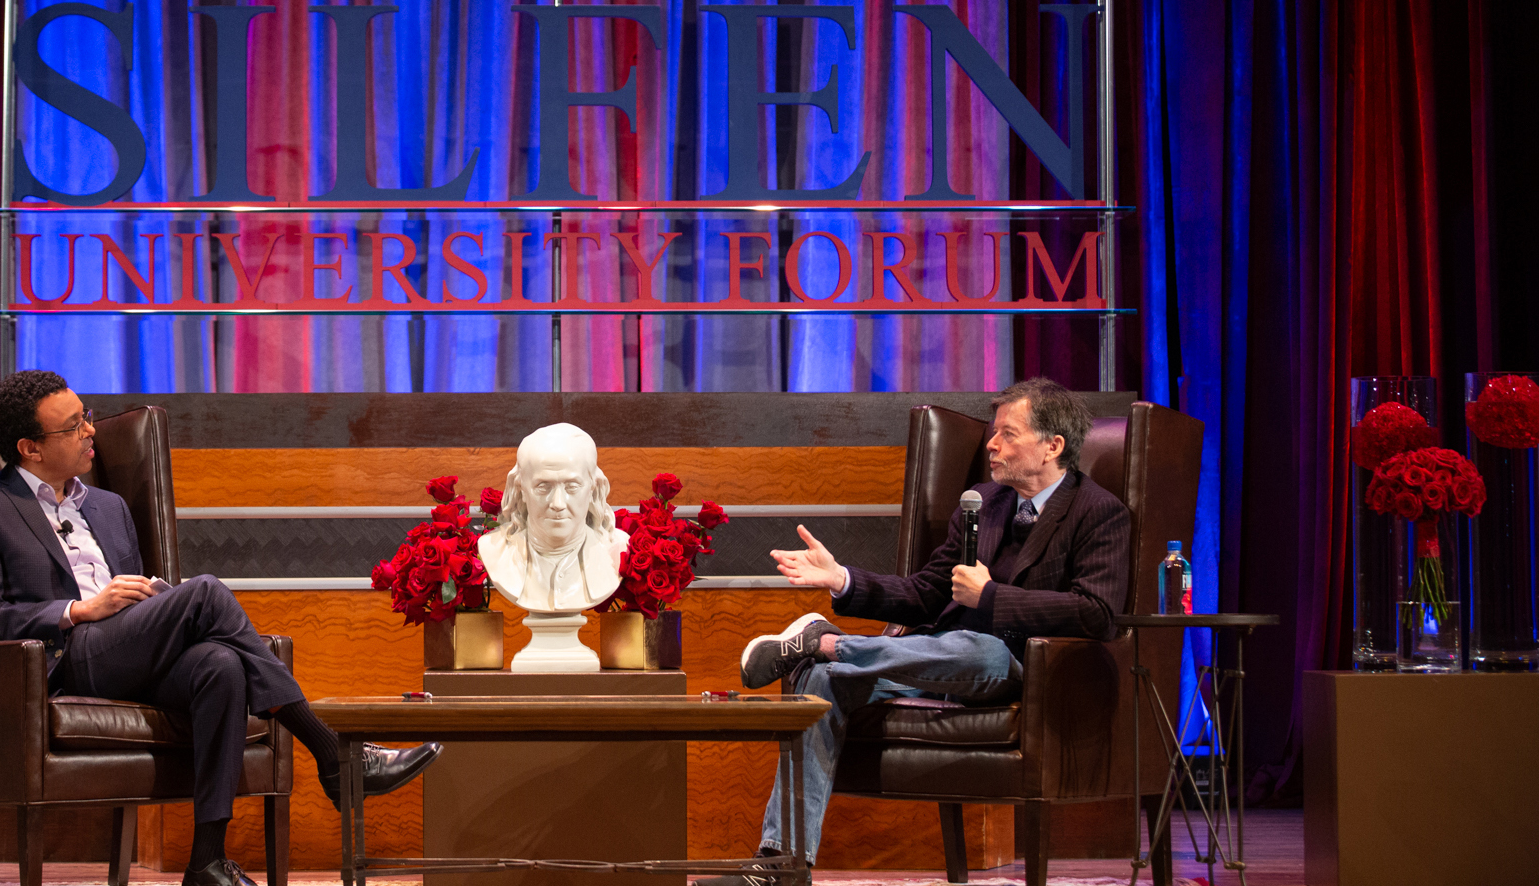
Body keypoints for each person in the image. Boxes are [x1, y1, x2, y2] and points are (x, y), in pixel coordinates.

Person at [0, 371, 440, 886]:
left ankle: (206, 860)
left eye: (87, 417)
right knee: (205, 591)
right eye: (73, 427)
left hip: (129, 651)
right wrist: (79, 610)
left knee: (220, 665)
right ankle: (333, 755)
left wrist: (154, 600)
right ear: (30, 447)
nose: (90, 432)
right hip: (64, 659)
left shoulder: (107, 506)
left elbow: (137, 595)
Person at [696, 378, 1130, 885]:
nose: (991, 445)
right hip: (926, 659)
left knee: (982, 650)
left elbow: (1097, 613)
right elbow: (926, 593)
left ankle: (830, 642)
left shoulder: (1099, 512)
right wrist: (842, 579)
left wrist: (991, 598)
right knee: (820, 682)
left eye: (1008, 435)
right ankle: (781, 865)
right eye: (994, 433)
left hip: (1018, 668)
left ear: (1052, 446)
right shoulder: (984, 504)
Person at [476, 422, 629, 611]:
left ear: (593, 488)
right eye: (543, 487)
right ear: (521, 488)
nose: (558, 503)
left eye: (572, 486)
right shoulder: (493, 551)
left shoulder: (616, 551)